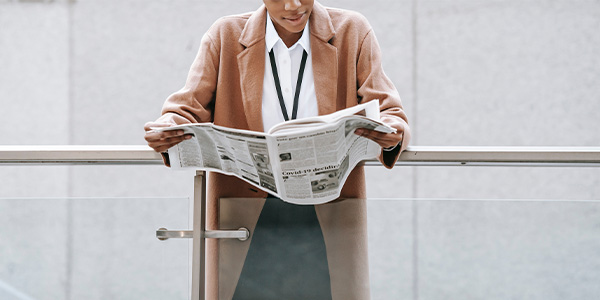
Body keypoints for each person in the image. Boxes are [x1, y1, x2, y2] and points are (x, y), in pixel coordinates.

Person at [144, 1, 411, 299]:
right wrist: (168, 127)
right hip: (245, 222)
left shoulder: (352, 31)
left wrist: (391, 132)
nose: (293, 5)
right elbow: (185, 110)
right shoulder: (225, 35)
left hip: (328, 219)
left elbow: (390, 111)